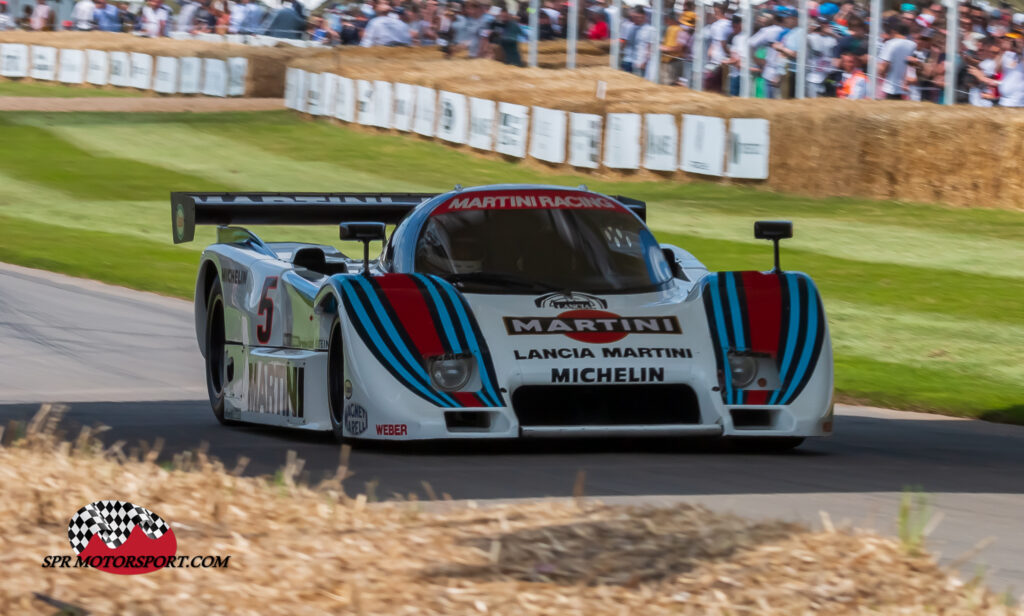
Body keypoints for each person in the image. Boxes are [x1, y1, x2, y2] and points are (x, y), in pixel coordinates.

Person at [878, 17, 918, 99]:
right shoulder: (913, 44)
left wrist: (880, 72)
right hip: (907, 87)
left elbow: (884, 66)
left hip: (891, 88)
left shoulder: (890, 43)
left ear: (894, 31)